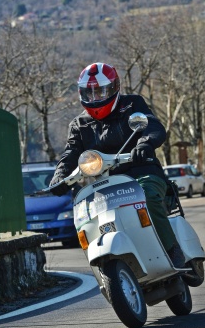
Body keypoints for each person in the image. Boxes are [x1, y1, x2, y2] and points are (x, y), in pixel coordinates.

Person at [49, 62, 186, 268]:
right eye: (89, 93)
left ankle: (171, 248)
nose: (94, 98)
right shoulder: (79, 124)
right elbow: (70, 153)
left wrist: (145, 143)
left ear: (114, 88)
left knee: (147, 196)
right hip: (104, 184)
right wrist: (60, 176)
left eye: (100, 91)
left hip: (142, 172)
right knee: (85, 214)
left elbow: (153, 126)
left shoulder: (132, 105)